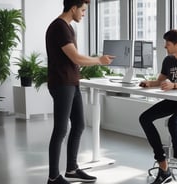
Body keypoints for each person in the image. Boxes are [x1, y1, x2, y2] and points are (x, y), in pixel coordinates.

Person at [45, 0, 115, 183]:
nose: (84, 14)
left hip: (71, 82)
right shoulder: (59, 27)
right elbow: (75, 57)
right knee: (60, 129)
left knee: (79, 124)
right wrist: (99, 60)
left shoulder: (68, 27)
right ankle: (53, 177)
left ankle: (72, 169)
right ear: (73, 8)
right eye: (83, 10)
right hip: (62, 84)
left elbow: (69, 59)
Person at [139, 29, 177, 184]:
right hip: (172, 101)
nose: (165, 46)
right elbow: (160, 81)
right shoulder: (168, 60)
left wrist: (173, 85)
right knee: (144, 118)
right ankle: (161, 159)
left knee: (173, 122)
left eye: (167, 44)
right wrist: (149, 83)